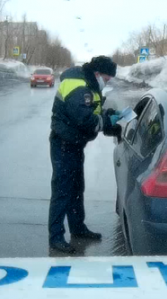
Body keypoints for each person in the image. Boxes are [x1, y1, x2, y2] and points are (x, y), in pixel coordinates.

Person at [48, 56, 123, 254]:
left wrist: (109, 115)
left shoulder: (88, 82)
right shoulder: (78, 85)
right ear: (98, 73)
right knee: (62, 190)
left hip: (73, 144)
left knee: (75, 187)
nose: (106, 82)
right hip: (63, 143)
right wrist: (108, 123)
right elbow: (83, 118)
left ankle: (77, 228)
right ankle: (55, 237)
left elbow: (93, 110)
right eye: (106, 79)